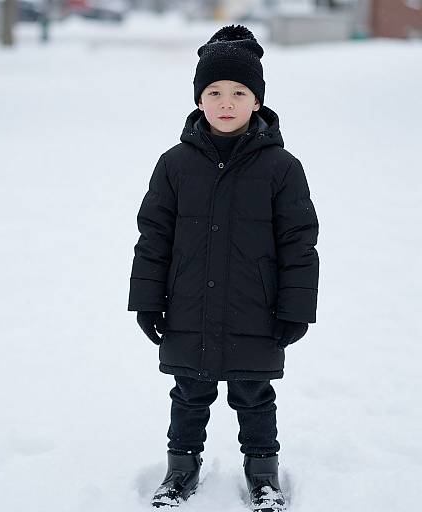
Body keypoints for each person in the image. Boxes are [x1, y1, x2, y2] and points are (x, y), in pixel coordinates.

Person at [127, 24, 319, 510]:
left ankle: (263, 475)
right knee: (188, 392)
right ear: (199, 100)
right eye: (214, 92)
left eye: (239, 92)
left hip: (256, 310)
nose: (226, 102)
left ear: (257, 101)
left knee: (254, 395)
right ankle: (180, 469)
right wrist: (147, 302)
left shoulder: (282, 167)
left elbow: (299, 243)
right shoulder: (174, 164)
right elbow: (154, 236)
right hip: (189, 306)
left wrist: (296, 309)